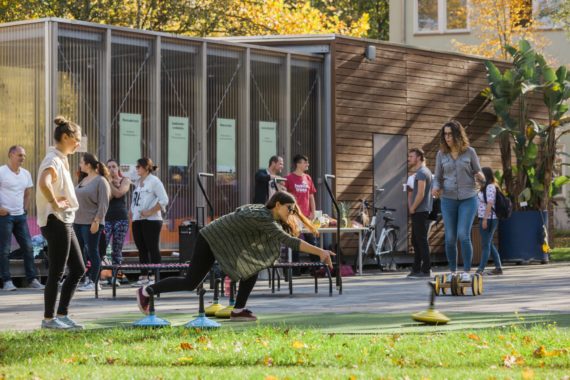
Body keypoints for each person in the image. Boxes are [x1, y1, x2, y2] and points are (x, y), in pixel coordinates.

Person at [135, 191, 334, 321]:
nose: (291, 212)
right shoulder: (264, 217)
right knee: (191, 282)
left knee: (253, 268)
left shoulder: (266, 215)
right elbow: (290, 241)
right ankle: (146, 291)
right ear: (278, 204)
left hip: (222, 242)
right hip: (210, 238)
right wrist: (321, 252)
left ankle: (238, 310)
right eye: (289, 208)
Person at [37, 116, 85, 329]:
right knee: (57, 271)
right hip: (55, 220)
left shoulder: (61, 159)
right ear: (65, 137)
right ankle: (48, 319)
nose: (79, 144)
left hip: (64, 220)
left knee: (78, 268)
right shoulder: (53, 160)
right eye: (76, 140)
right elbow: (43, 182)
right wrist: (54, 203)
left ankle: (62, 314)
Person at [432, 120, 485, 283]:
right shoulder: (441, 154)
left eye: (450, 134)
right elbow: (438, 177)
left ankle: (467, 271)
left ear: (457, 135)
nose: (447, 137)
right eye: (445, 134)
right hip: (448, 199)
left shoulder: (470, 152)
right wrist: (436, 188)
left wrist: (481, 177)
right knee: (449, 237)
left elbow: (479, 172)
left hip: (468, 198)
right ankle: (453, 271)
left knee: (463, 234)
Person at [0, 146, 44, 290]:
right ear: (11, 155)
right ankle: (7, 281)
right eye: (20, 155)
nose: (22, 158)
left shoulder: (26, 173)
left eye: (24, 155)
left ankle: (32, 280)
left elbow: (27, 193)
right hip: (5, 217)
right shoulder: (2, 172)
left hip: (20, 217)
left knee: (28, 247)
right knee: (4, 250)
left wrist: (24, 210)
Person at [74, 153, 111, 292]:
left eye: (82, 162)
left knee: (93, 251)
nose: (80, 165)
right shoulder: (83, 180)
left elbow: (103, 204)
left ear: (88, 165)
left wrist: (97, 221)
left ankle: (94, 281)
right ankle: (82, 278)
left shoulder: (101, 181)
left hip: (91, 222)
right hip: (77, 222)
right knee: (78, 252)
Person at [130, 158, 168, 286]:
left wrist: (150, 211)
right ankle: (144, 275)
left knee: (152, 247)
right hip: (137, 219)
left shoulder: (154, 181)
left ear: (146, 167)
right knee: (141, 248)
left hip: (151, 220)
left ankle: (155, 276)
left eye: (139, 166)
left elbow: (164, 199)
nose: (137, 169)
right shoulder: (138, 182)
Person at [285, 154, 318, 268]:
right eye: (305, 162)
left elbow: (311, 196)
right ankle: (295, 269)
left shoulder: (308, 178)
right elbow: (285, 197)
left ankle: (316, 267)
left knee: (311, 241)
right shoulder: (289, 178)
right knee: (295, 242)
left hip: (306, 216)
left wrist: (313, 211)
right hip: (294, 216)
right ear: (298, 164)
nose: (307, 164)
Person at [407, 148, 433, 278]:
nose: (409, 159)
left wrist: (413, 207)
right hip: (420, 210)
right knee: (416, 240)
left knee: (421, 240)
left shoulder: (422, 172)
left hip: (420, 210)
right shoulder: (422, 172)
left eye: (411, 156)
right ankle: (416, 269)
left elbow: (421, 193)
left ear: (418, 157)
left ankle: (426, 270)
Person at [476, 167, 504, 275]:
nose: (478, 176)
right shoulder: (484, 187)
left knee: (485, 244)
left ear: (485, 175)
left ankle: (480, 269)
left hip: (489, 218)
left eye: (480, 174)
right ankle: (498, 268)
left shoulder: (491, 187)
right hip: (486, 218)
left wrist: (484, 219)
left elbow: (490, 203)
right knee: (489, 243)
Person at [104, 159, 131, 267]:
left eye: (114, 166)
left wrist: (110, 183)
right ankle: (101, 276)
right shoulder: (103, 181)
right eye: (109, 167)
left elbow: (119, 194)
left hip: (121, 218)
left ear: (118, 168)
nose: (111, 169)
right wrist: (109, 182)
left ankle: (117, 277)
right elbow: (108, 197)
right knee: (102, 247)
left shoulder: (125, 180)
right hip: (106, 218)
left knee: (117, 249)